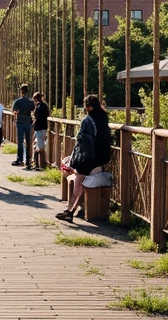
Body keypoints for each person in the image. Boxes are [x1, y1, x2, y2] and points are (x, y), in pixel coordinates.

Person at [56, 94, 112, 222]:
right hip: (100, 160)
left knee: (78, 184)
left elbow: (83, 143)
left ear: (89, 107)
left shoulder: (87, 121)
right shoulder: (103, 119)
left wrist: (74, 160)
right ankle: (77, 209)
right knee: (82, 184)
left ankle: (70, 211)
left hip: (88, 160)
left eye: (85, 106)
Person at [11, 83, 36, 168]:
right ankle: (28, 160)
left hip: (20, 122)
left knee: (20, 142)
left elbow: (14, 111)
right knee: (28, 142)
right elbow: (33, 112)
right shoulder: (30, 102)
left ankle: (20, 159)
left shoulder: (17, 101)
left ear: (21, 91)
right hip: (28, 122)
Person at [32, 90, 50, 170]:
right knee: (41, 144)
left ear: (36, 99)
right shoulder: (45, 106)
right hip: (44, 126)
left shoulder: (38, 107)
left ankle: (40, 165)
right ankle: (39, 164)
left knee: (40, 146)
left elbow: (36, 116)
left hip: (39, 127)